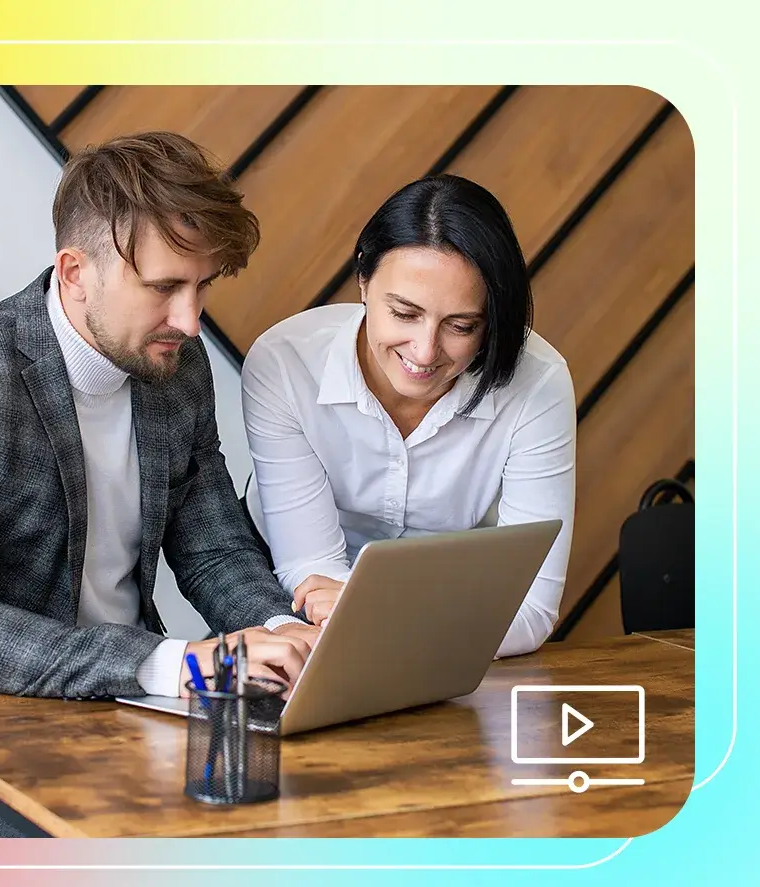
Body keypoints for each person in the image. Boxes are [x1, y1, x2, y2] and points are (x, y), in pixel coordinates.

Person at [0, 131, 317, 839]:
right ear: (74, 271)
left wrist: (281, 635)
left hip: (121, 714)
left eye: (202, 286)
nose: (190, 321)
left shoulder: (175, 369)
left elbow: (215, 552)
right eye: (163, 288)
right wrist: (176, 664)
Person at [241, 173, 575, 657]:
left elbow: (531, 604)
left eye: (461, 326)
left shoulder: (537, 384)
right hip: (292, 610)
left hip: (447, 636)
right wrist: (426, 620)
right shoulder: (285, 364)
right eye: (403, 313)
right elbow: (310, 568)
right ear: (363, 280)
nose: (424, 351)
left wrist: (384, 618)